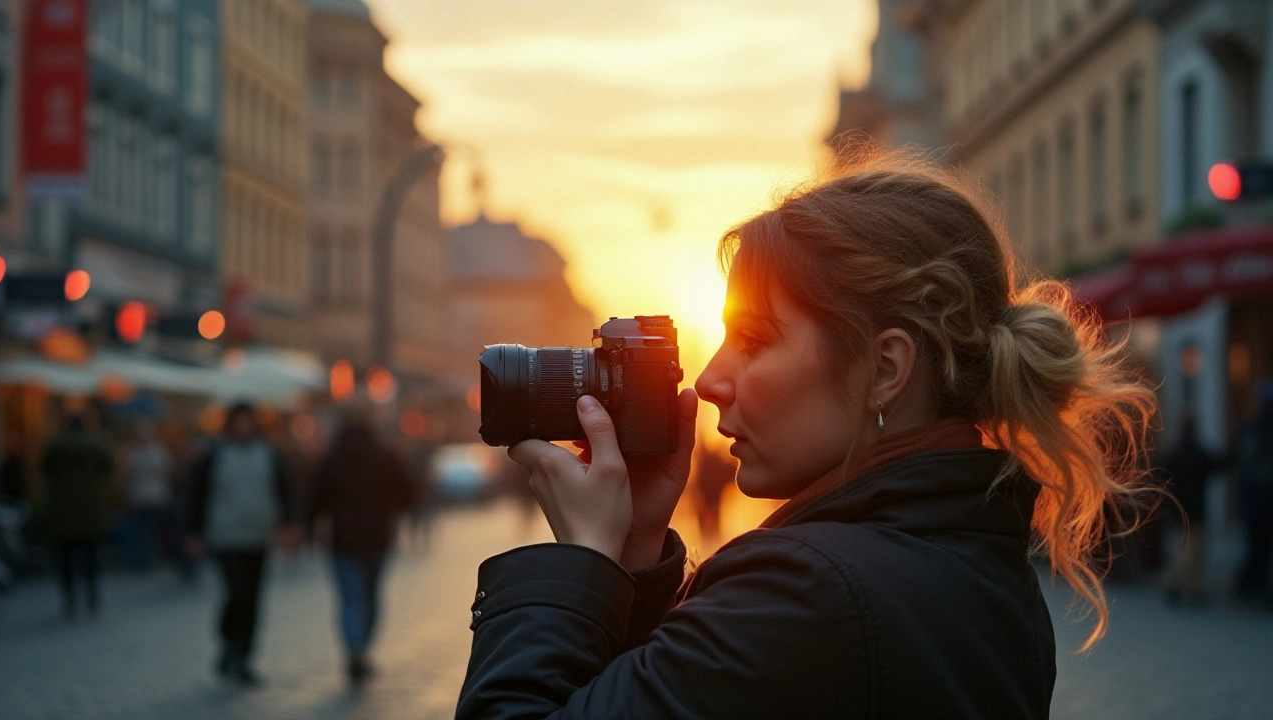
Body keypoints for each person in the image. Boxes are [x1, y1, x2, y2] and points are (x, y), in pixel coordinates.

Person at [456, 151, 1157, 719]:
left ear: (885, 368)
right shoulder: (970, 559)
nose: (709, 382)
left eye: (754, 340)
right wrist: (637, 554)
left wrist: (583, 560)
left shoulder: (810, 593)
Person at [186, 403, 299, 686]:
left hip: (258, 536)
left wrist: (289, 525)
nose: (243, 426)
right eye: (238, 420)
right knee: (237, 592)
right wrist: (193, 532)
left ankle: (243, 657)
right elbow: (197, 495)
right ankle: (229, 640)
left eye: (247, 420)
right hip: (225, 536)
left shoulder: (268, 453)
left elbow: (284, 491)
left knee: (253, 599)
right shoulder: (215, 455)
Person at [306, 414, 414, 683]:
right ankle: (361, 649)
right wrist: (395, 512)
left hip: (342, 542)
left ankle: (355, 650)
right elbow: (409, 491)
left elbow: (315, 499)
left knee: (350, 600)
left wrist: (308, 529)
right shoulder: (386, 457)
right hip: (378, 539)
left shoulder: (331, 459)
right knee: (371, 598)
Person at [42, 414, 115, 619]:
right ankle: (92, 592)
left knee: (65, 557)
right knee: (91, 555)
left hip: (63, 511)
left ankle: (70, 597)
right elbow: (109, 467)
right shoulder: (96, 445)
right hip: (91, 509)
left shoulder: (56, 446)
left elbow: (45, 469)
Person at [1159, 416, 1220, 605]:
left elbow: (1161, 476)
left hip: (1178, 508)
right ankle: (1173, 583)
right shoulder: (1198, 453)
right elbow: (1217, 466)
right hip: (1195, 508)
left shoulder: (1173, 453)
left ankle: (1193, 587)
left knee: (1187, 549)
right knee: (1192, 551)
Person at [1231, 385, 1273, 604]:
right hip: (1258, 502)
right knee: (1258, 548)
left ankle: (1252, 586)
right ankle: (1252, 586)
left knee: (1257, 548)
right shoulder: (1252, 431)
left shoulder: (1251, 430)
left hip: (1254, 503)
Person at [121, 420, 174, 572]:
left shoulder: (134, 453)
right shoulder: (159, 452)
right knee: (150, 531)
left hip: (143, 498)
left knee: (144, 531)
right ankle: (149, 559)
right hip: (153, 497)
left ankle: (145, 560)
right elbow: (168, 472)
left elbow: (126, 474)